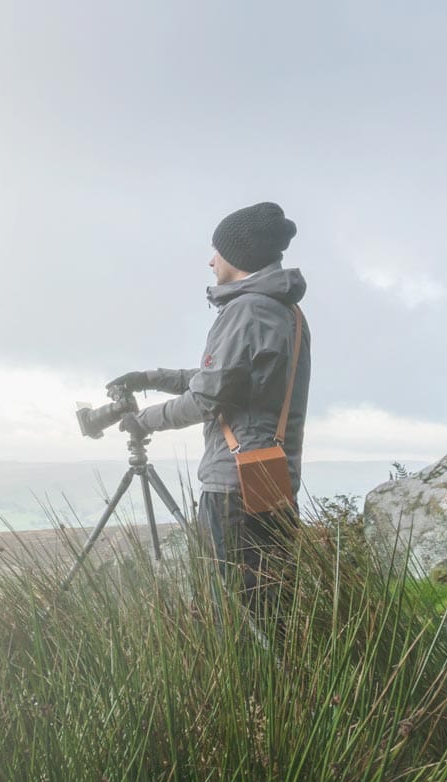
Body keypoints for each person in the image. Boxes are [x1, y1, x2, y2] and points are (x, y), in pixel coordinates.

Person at [110, 201, 310, 624]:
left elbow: (207, 399)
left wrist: (140, 421)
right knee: (271, 603)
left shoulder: (246, 310)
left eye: (216, 251)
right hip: (270, 473)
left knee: (235, 610)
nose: (210, 259)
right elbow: (225, 379)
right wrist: (150, 377)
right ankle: (285, 681)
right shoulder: (283, 310)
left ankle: (252, 684)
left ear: (238, 255)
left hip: (234, 485)